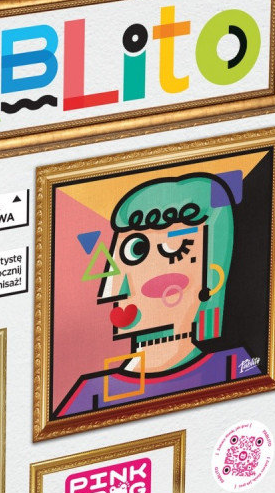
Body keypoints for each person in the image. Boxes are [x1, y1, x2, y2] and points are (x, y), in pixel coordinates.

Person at [54, 172, 261, 417]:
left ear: (211, 281)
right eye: (133, 250)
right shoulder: (91, 395)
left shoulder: (234, 367)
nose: (120, 286)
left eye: (172, 249)